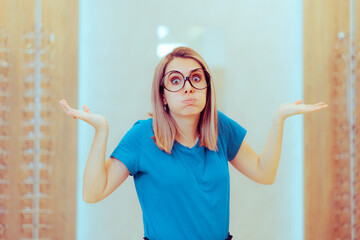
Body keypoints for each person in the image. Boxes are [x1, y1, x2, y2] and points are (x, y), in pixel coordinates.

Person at [59, 47, 328, 240]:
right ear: (162, 96)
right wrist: (101, 130)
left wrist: (279, 119)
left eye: (196, 78)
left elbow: (264, 173)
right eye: (175, 80)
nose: (188, 87)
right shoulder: (143, 136)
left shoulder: (220, 128)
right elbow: (92, 193)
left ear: (207, 89)